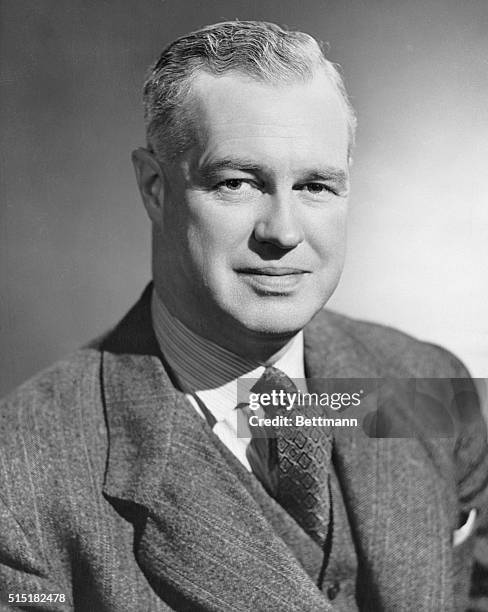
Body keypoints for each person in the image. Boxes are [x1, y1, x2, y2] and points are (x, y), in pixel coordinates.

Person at [0, 20, 486, 611]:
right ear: (155, 188)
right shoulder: (19, 469)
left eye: (315, 186)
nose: (282, 231)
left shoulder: (424, 381)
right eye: (236, 182)